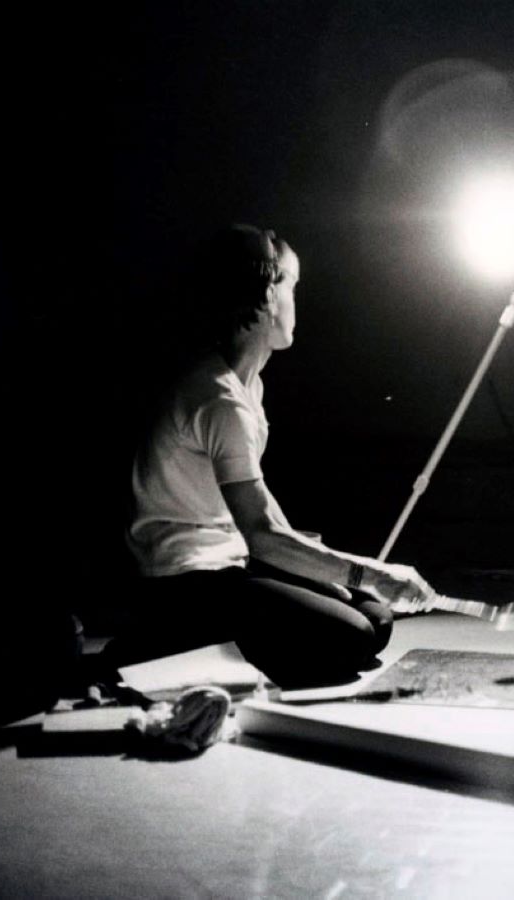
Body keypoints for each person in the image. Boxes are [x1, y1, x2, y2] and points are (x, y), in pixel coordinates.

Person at [97, 225, 435, 689]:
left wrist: (324, 570)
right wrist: (371, 571)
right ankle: (158, 643)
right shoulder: (220, 400)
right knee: (352, 635)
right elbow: (262, 534)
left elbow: (264, 513)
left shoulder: (247, 388)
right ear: (264, 297)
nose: (296, 302)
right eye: (291, 287)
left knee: (374, 618)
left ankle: (230, 638)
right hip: (183, 583)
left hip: (230, 566)